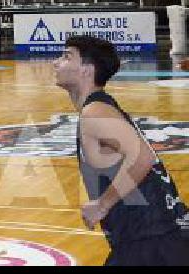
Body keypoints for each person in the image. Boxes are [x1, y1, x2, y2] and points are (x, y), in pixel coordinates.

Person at [53, 35, 189, 266]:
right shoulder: (101, 107)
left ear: (87, 69)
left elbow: (143, 158)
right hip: (154, 235)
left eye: (66, 57)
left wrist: (102, 205)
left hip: (150, 240)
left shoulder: (94, 111)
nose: (56, 63)